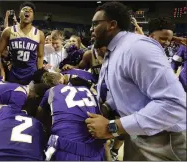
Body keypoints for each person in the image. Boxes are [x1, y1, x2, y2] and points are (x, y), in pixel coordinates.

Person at [85, 2, 186, 161]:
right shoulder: (116, 49)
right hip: (139, 133)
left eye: (95, 24)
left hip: (164, 139)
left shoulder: (136, 47)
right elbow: (127, 92)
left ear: (112, 25)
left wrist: (111, 127)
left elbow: (174, 104)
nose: (91, 29)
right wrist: (105, 107)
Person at [36, 77, 105, 161]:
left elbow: (40, 111)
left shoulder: (52, 90)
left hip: (65, 146)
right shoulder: (87, 90)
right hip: (94, 150)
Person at [0, 1, 45, 85]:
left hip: (31, 74)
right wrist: (1, 68)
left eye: (30, 11)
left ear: (33, 17)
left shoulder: (40, 34)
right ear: (19, 14)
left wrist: (39, 75)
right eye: (24, 10)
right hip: (13, 73)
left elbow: (40, 56)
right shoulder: (8, 31)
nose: (27, 12)